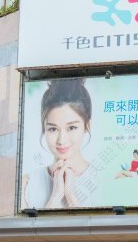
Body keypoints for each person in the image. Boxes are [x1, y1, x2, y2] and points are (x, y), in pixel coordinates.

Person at [22, 79, 96, 209]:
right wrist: (56, 196)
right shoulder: (27, 184)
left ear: (87, 125)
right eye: (53, 129)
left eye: (71, 128)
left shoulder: (104, 180)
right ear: (44, 128)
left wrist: (71, 196)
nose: (61, 140)